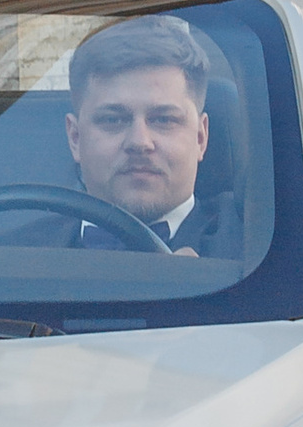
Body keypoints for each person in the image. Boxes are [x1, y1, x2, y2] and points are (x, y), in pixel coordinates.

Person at [64, 18, 238, 255]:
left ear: (200, 137)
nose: (139, 142)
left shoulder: (261, 250)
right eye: (113, 120)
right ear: (75, 138)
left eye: (164, 119)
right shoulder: (8, 256)